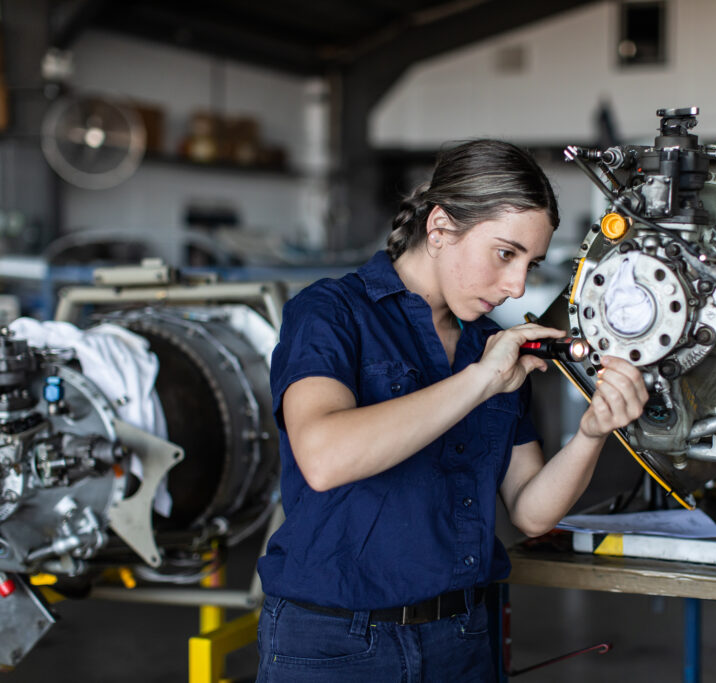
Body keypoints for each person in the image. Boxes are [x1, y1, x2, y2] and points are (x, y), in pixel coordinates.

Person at [255, 139, 648, 682]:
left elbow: (531, 511)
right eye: (505, 254)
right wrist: (480, 379)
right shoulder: (330, 313)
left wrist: (591, 433)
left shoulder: (491, 347)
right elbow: (324, 456)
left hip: (461, 639)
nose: (517, 286)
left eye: (530, 264)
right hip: (336, 643)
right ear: (439, 228)